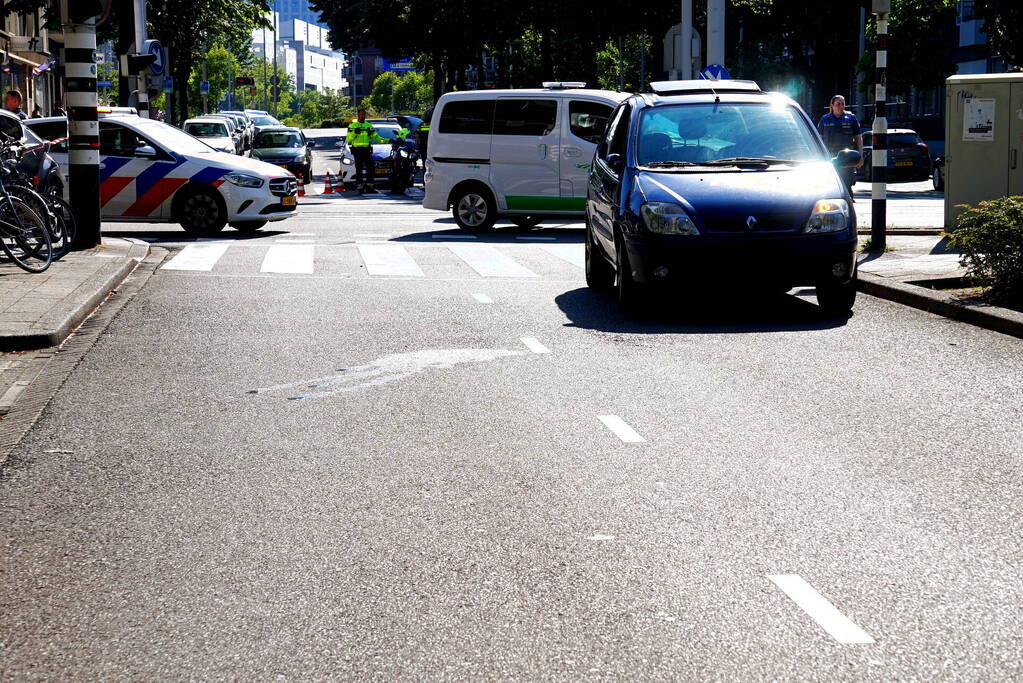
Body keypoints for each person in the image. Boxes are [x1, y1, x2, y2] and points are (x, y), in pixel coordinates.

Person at [817, 95, 863, 190]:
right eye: (838, 104)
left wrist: (860, 156)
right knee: (829, 185)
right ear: (832, 106)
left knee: (847, 185)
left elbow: (858, 138)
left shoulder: (851, 118)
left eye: (843, 104)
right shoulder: (825, 119)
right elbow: (819, 140)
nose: (841, 106)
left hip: (847, 157)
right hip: (829, 157)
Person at [346, 108, 383, 193]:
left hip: (366, 150)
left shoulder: (368, 125)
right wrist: (355, 133)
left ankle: (370, 186)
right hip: (357, 151)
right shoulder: (352, 126)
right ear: (358, 115)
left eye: (364, 114)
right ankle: (360, 186)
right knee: (359, 169)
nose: (363, 116)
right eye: (361, 114)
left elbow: (376, 137)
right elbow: (349, 139)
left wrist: (387, 140)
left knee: (371, 167)